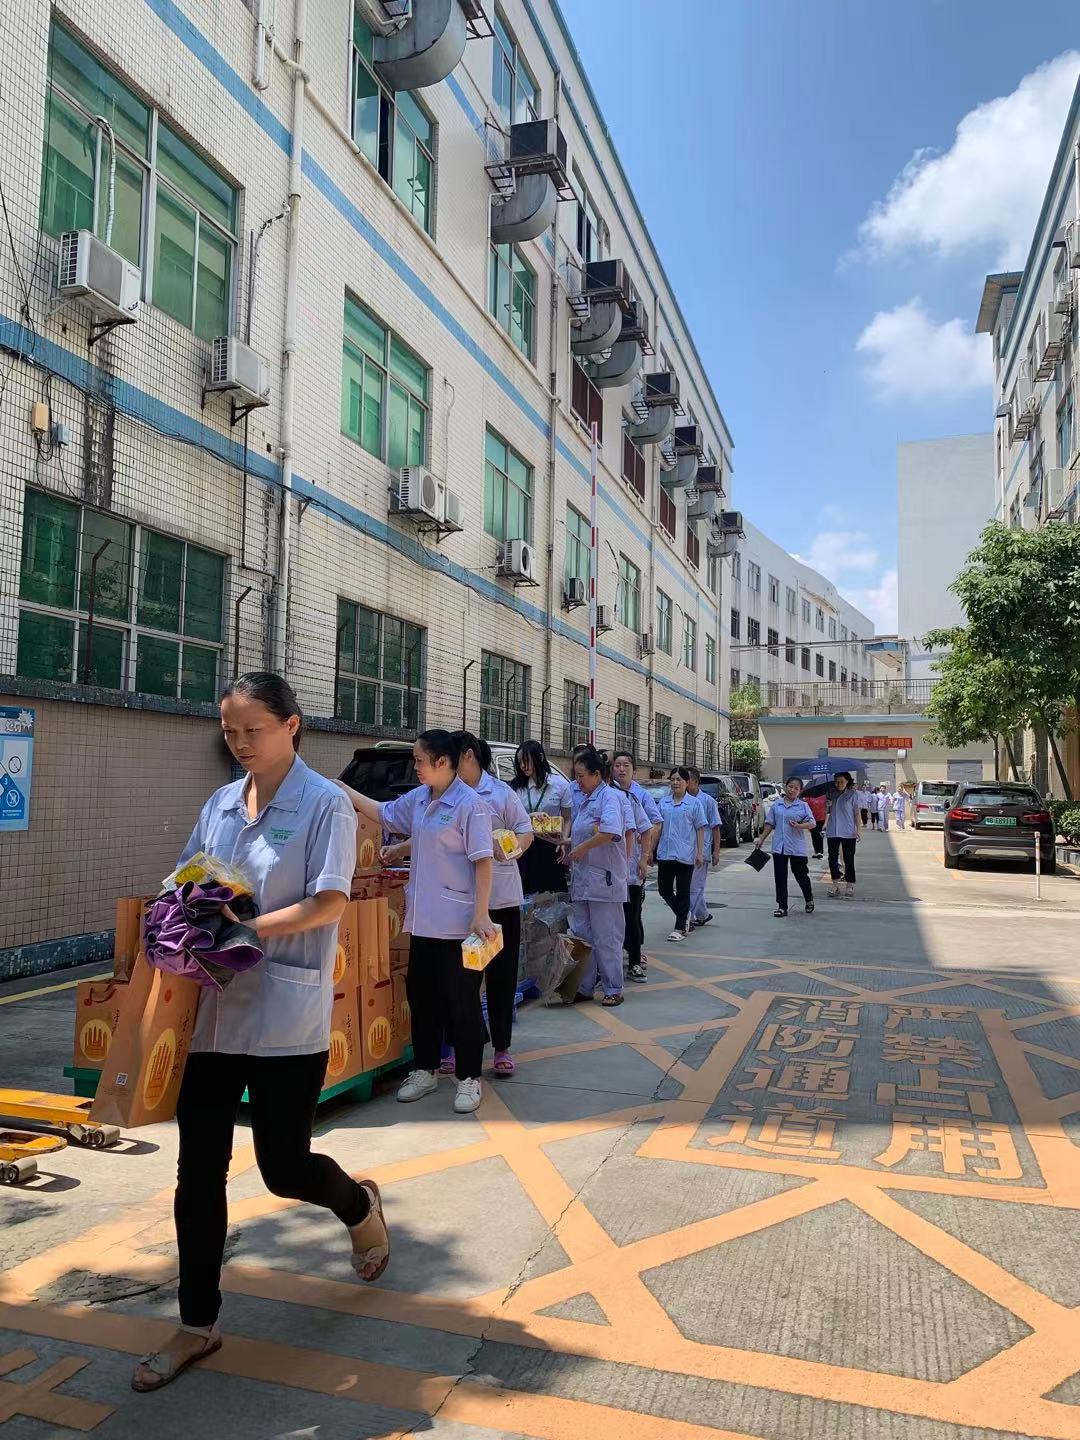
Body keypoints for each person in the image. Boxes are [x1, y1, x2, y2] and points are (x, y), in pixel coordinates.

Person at [131, 673, 386, 1395]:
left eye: (254, 731)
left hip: (284, 1012)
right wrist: (174, 911)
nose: (241, 743)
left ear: (291, 726)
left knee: (284, 1167)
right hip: (211, 1012)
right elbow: (187, 875)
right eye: (231, 732)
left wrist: (246, 929)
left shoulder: (325, 804)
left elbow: (329, 901)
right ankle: (196, 1323)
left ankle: (358, 1205)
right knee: (197, 1172)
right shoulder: (219, 803)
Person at [342, 730, 496, 1115]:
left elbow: (483, 861)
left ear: (442, 762)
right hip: (424, 922)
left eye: (420, 760)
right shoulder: (420, 798)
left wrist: (481, 913)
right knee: (422, 997)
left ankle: (469, 1077)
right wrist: (345, 790)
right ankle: (425, 1070)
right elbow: (384, 812)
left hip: (459, 924)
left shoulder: (471, 805)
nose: (415, 767)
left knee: (462, 1003)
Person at [453, 733, 533, 1078]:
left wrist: (511, 849)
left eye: (450, 758)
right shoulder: (448, 795)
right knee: (463, 978)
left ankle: (502, 1047)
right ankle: (463, 1043)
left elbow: (526, 830)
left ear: (468, 756)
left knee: (501, 976)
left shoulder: (500, 794)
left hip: (500, 900)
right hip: (461, 901)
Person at [566, 748, 628, 1005]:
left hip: (604, 879)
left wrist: (581, 848)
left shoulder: (610, 798)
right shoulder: (585, 799)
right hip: (583, 879)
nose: (577, 781)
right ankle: (584, 986)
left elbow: (609, 832)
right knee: (583, 935)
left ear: (596, 774)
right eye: (576, 776)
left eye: (581, 776)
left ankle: (613, 988)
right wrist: (565, 843)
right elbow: (583, 833)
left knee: (607, 936)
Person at [611, 751, 660, 983]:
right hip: (609, 867)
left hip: (631, 867)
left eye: (626, 765)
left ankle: (634, 960)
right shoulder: (605, 795)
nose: (621, 769)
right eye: (617, 765)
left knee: (632, 915)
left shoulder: (637, 796)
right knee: (611, 919)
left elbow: (649, 826)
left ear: (634, 769)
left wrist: (645, 856)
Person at [509, 739, 572, 895]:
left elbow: (567, 818)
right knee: (525, 892)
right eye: (519, 762)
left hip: (551, 843)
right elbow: (511, 818)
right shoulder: (516, 787)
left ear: (540, 758)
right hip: (524, 843)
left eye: (526, 761)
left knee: (552, 893)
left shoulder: (559, 785)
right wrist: (530, 816)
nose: (523, 766)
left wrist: (563, 841)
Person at [655, 767, 708, 942]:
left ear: (687, 782)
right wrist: (649, 850)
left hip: (685, 854)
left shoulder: (694, 804)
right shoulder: (663, 803)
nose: (675, 783)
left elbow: (700, 829)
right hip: (665, 853)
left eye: (679, 779)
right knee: (664, 889)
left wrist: (700, 853)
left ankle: (679, 928)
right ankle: (684, 915)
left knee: (683, 891)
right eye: (673, 779)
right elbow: (657, 827)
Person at [755, 776, 816, 918]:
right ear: (785, 787)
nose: (792, 790)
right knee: (780, 877)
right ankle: (782, 906)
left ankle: (809, 898)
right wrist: (761, 838)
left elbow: (812, 823)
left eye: (796, 788)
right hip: (779, 846)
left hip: (796, 847)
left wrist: (800, 825)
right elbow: (770, 823)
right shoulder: (777, 805)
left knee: (801, 875)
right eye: (790, 787)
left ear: (800, 791)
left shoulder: (803, 806)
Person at [686, 768, 722, 929]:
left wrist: (716, 851)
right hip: (683, 850)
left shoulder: (708, 801)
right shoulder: (679, 799)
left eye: (686, 780)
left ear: (695, 782)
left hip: (701, 850)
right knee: (689, 885)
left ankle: (688, 918)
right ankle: (703, 914)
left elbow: (715, 827)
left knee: (695, 886)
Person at [824, 770, 862, 899]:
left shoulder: (852, 794)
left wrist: (858, 829)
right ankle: (835, 885)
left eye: (841, 782)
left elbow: (856, 813)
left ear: (847, 782)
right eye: (836, 782)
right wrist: (827, 805)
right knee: (832, 859)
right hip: (833, 830)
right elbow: (827, 812)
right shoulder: (830, 793)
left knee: (848, 859)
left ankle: (849, 885)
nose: (839, 784)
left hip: (848, 831)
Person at [804, 787, 826, 859]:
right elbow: (806, 808)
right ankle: (816, 852)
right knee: (813, 836)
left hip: (821, 819)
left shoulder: (824, 796)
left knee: (819, 835)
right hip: (812, 819)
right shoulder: (808, 797)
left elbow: (827, 807)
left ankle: (820, 852)